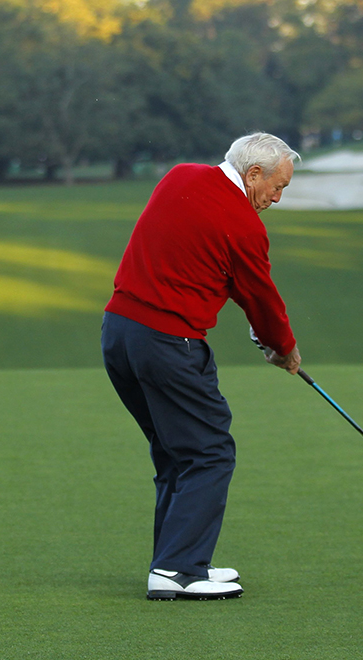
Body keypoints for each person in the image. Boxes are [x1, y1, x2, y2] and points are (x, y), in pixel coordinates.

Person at [101, 133, 302, 601]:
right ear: (253, 174)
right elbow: (260, 296)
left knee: (175, 451)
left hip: (118, 334)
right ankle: (177, 569)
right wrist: (282, 347)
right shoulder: (246, 227)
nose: (277, 197)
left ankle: (175, 561)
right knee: (210, 451)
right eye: (278, 186)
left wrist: (262, 333)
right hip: (169, 344)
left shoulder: (179, 177)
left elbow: (202, 258)